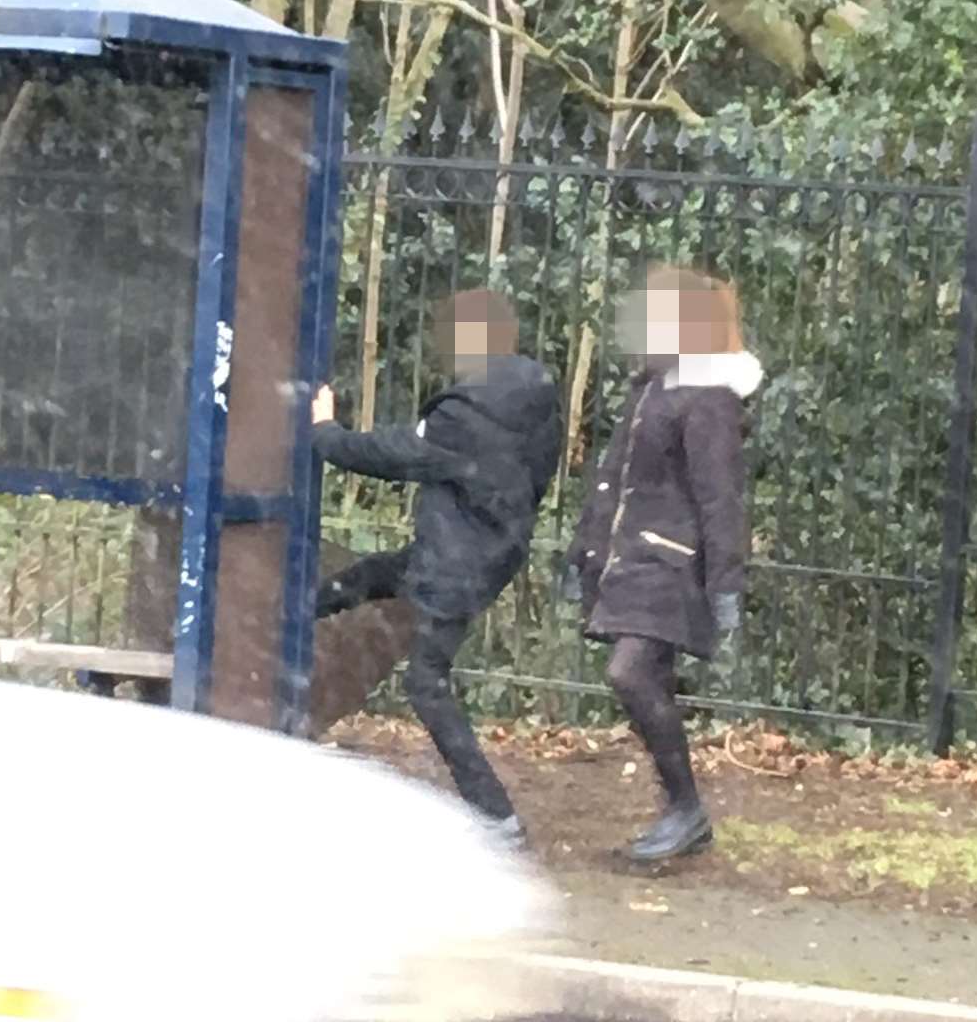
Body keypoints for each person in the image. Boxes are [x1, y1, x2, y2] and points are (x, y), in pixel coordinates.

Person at [311, 289, 561, 845]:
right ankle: (286, 614)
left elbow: (394, 454)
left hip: (455, 565)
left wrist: (325, 432)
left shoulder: (465, 415)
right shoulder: (534, 395)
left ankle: (496, 815)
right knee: (371, 577)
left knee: (426, 684)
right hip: (485, 550)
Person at [561, 265, 762, 862]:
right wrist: (583, 556)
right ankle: (682, 812)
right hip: (635, 559)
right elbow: (611, 483)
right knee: (642, 681)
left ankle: (686, 809)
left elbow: (719, 496)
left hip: (673, 565)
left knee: (629, 674)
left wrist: (727, 584)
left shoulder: (708, 398)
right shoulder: (653, 386)